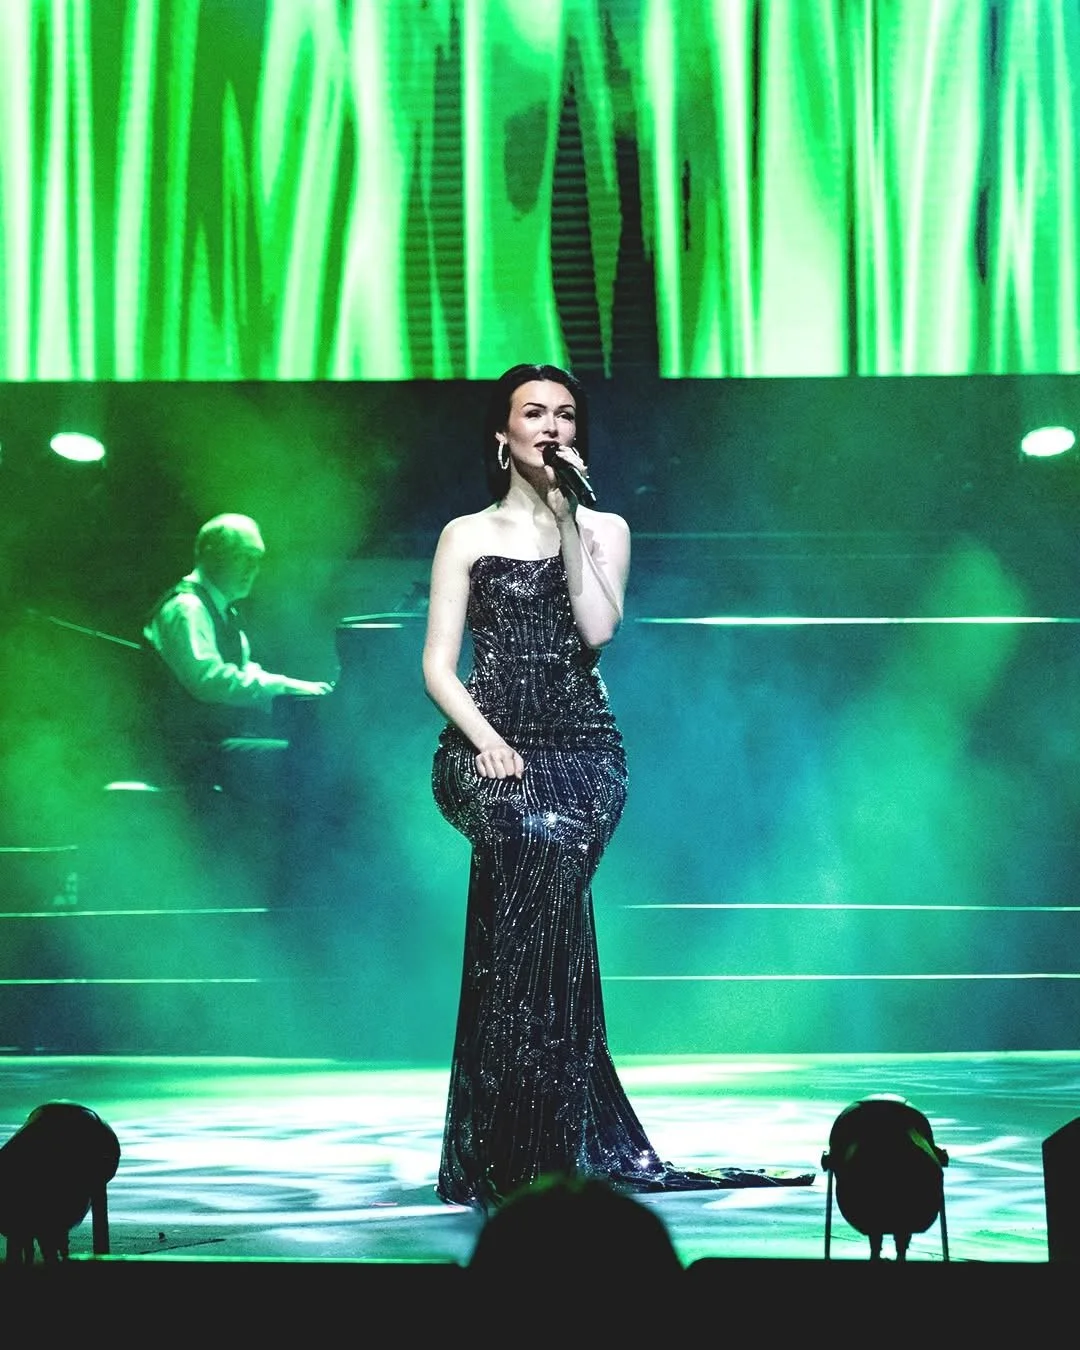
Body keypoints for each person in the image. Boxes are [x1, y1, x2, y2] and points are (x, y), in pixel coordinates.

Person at [423, 364, 803, 1209]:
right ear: (502, 435)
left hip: (582, 750)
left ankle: (525, 1140)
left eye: (564, 414)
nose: (550, 426)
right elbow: (437, 668)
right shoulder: (463, 534)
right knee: (527, 854)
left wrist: (567, 520)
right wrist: (487, 743)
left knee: (539, 885)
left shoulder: (606, 529)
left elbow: (597, 629)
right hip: (483, 746)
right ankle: (528, 1138)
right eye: (533, 413)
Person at [142, 512, 331, 794]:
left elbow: (246, 672)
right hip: (182, 752)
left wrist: (303, 689)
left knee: (308, 755)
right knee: (307, 762)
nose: (252, 568)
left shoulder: (222, 611)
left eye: (257, 559)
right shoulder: (187, 608)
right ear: (211, 554)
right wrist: (290, 688)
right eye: (244, 556)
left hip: (210, 745)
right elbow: (209, 680)